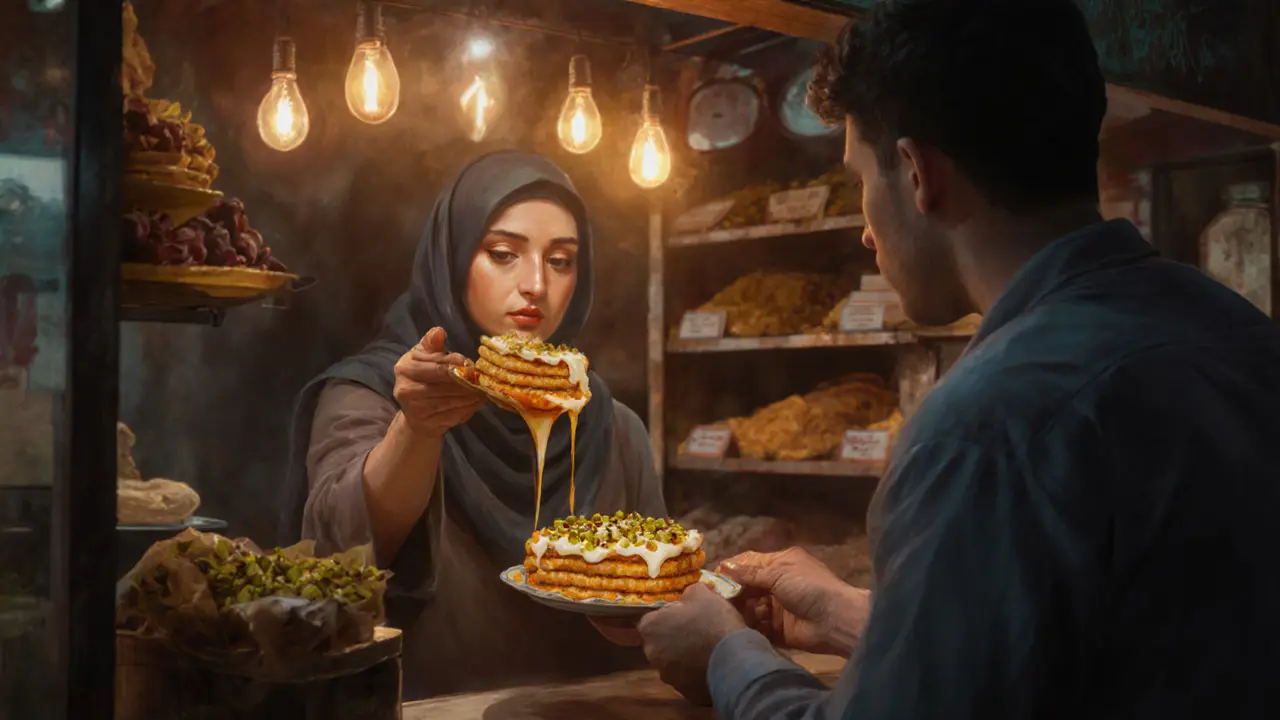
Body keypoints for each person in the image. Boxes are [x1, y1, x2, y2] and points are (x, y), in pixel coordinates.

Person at [636, 0, 1280, 718]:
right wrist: (864, 619)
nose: (866, 235)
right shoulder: (1241, 336)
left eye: (860, 180)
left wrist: (726, 655)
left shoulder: (987, 428)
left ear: (916, 174)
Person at [280, 151, 666, 700]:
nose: (535, 283)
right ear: (452, 257)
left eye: (560, 260)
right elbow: (337, 554)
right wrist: (418, 429)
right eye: (504, 254)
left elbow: (657, 588)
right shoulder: (380, 394)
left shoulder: (610, 425)